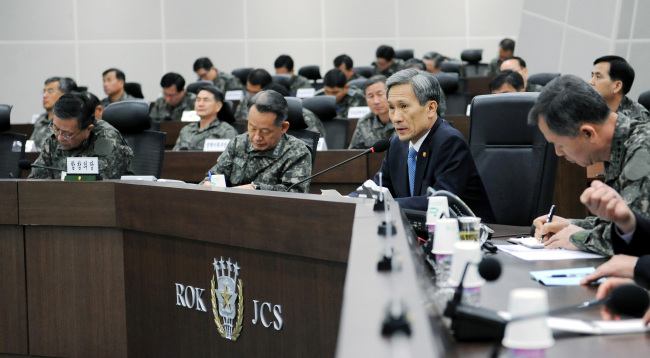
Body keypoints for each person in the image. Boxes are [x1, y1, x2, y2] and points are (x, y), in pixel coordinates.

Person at [530, 75, 650, 255]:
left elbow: (638, 237)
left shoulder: (643, 149)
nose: (558, 153)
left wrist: (577, 237)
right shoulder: (620, 146)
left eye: (560, 145)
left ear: (588, 133)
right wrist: (571, 225)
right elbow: (619, 223)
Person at [364, 69, 494, 220]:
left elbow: (439, 202)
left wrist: (382, 204)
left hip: (473, 237)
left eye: (404, 106)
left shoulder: (450, 142)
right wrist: (348, 200)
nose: (396, 118)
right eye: (392, 108)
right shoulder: (396, 145)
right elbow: (378, 188)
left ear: (431, 108)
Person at [201, 90, 312, 193]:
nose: (257, 137)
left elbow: (295, 193)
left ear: (283, 127)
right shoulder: (238, 143)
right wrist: (208, 183)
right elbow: (216, 175)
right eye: (252, 128)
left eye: (265, 131)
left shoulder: (298, 152)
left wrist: (256, 189)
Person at [28, 92, 134, 179]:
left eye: (67, 134)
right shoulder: (54, 140)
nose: (59, 137)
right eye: (56, 128)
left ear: (88, 129)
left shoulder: (107, 140)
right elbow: (35, 181)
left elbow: (106, 188)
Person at [173, 86, 237, 151]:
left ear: (218, 106)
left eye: (206, 100)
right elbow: (174, 156)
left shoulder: (226, 131)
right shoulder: (186, 130)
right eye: (198, 100)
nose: (200, 104)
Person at [590, 55, 649, 122]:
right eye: (592, 76)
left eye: (598, 77)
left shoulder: (637, 118)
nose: (591, 82)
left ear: (617, 86)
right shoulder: (588, 107)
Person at [30, 77, 78, 150]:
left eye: (50, 91)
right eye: (44, 91)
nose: (44, 96)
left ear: (63, 95)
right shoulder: (40, 120)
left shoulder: (68, 121)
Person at [348, 76, 394, 149]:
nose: (376, 101)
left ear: (391, 94)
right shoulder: (365, 122)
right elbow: (354, 153)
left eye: (380, 94)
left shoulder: (403, 119)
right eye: (370, 96)